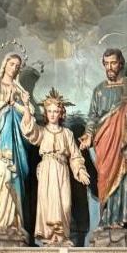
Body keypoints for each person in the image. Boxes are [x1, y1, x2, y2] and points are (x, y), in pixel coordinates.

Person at [79, 48, 127, 241]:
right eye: (106, 63)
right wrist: (87, 135)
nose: (110, 67)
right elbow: (92, 117)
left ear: (121, 64)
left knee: (124, 178)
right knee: (105, 178)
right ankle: (106, 219)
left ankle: (121, 220)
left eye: (113, 63)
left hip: (124, 143)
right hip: (105, 142)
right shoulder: (99, 90)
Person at [22, 87, 90, 244]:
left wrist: (80, 170)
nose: (53, 114)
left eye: (55, 111)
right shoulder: (42, 131)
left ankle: (62, 236)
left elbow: (75, 156)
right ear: (46, 113)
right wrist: (26, 106)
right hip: (47, 169)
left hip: (62, 170)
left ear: (61, 113)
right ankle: (51, 238)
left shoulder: (67, 134)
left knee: (65, 205)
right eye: (50, 111)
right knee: (48, 204)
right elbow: (28, 130)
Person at [0, 52, 33, 242]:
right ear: (5, 65)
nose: (15, 68)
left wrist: (22, 105)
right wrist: (2, 104)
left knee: (14, 180)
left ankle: (14, 224)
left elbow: (28, 123)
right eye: (12, 64)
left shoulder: (20, 91)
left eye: (18, 66)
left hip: (15, 146)